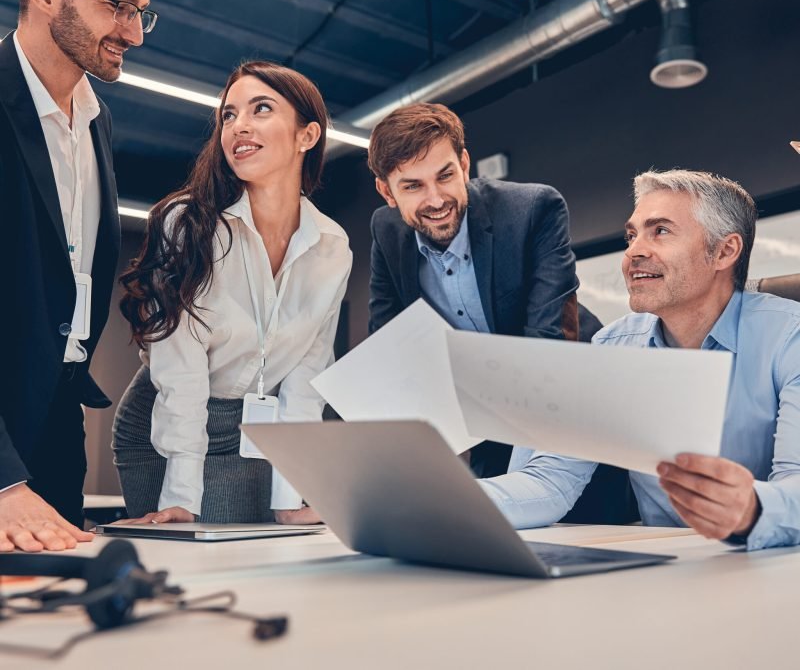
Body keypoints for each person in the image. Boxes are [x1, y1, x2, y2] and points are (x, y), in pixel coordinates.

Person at [482, 169, 800, 550]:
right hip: (667, 568)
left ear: (724, 251)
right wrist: (444, 499)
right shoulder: (614, 346)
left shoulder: (789, 338)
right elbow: (549, 481)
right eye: (632, 235)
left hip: (775, 566)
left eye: (660, 231)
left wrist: (749, 508)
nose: (633, 251)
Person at [112, 61, 352, 525]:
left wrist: (291, 497)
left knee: (271, 564)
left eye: (261, 109)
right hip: (168, 426)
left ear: (307, 136)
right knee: (195, 568)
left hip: (258, 434)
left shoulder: (332, 247)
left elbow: (306, 379)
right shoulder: (188, 224)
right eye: (228, 115)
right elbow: (179, 372)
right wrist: (181, 496)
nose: (239, 125)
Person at [0, 0, 153, 552]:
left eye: (140, 11)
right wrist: (4, 480)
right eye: (117, 6)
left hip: (56, 423)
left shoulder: (96, 120)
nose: (134, 33)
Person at [367, 103, 579, 479]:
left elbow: (547, 342)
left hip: (564, 406)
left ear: (464, 165)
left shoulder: (533, 210)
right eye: (413, 186)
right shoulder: (386, 231)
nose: (435, 200)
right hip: (476, 423)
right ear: (387, 191)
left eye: (445, 176)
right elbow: (389, 344)